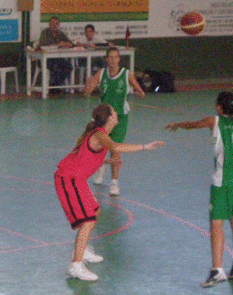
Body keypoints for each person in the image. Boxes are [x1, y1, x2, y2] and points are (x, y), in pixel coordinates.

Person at [56, 103, 164, 281]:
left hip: (76, 179)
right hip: (69, 179)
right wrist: (145, 147)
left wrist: (107, 162)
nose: (117, 115)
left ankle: (82, 250)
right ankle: (75, 265)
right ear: (110, 119)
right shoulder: (100, 134)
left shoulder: (99, 134)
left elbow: (85, 156)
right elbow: (115, 147)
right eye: (114, 113)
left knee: (95, 211)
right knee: (88, 219)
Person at [165, 91, 233, 288]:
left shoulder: (215, 121)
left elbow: (193, 124)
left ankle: (217, 270)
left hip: (226, 178)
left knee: (217, 222)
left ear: (219, 108)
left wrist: (178, 125)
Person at [84, 46, 145, 196]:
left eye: (115, 57)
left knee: (115, 149)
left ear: (119, 59)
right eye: (110, 57)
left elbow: (141, 92)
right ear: (106, 59)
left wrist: (139, 92)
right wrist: (89, 84)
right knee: (98, 147)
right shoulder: (101, 74)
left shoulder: (127, 75)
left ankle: (114, 182)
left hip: (119, 118)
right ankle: (101, 167)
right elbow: (87, 93)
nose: (112, 60)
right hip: (103, 118)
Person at [35, 16, 73, 90]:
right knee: (56, 66)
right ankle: (54, 86)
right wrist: (57, 45)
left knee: (69, 66)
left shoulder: (60, 33)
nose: (55, 26)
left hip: (57, 57)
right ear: (49, 24)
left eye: (57, 24)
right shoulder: (45, 33)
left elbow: (70, 44)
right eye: (52, 24)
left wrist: (65, 44)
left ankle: (55, 85)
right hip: (46, 59)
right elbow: (43, 45)